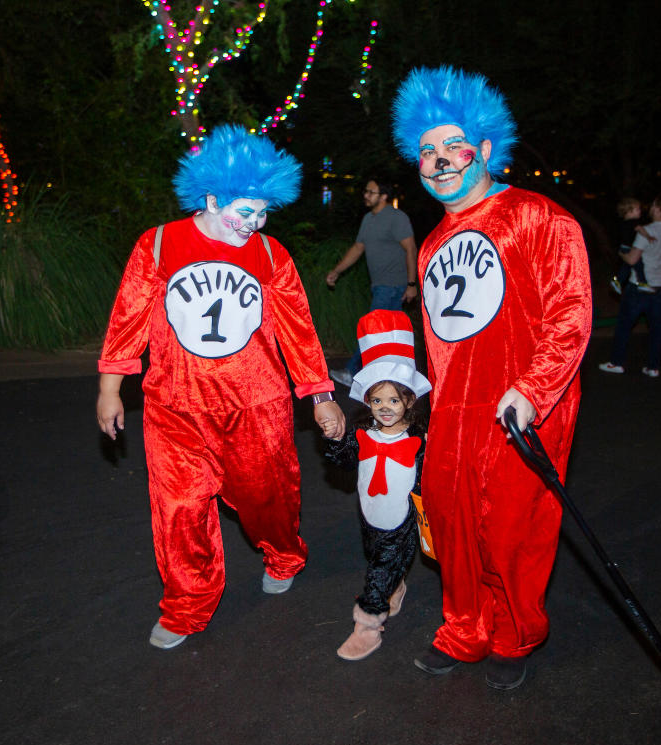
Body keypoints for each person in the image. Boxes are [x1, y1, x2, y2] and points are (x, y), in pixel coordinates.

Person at [95, 125, 346, 650]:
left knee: (266, 501)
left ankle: (284, 553)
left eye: (262, 213)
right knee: (180, 509)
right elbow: (128, 319)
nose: (253, 223)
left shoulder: (270, 254)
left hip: (256, 405)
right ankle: (186, 604)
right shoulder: (159, 243)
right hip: (174, 407)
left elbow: (298, 329)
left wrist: (320, 396)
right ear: (210, 198)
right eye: (244, 211)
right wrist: (111, 386)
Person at [391, 66, 592, 690]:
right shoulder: (428, 246)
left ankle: (512, 637)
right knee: (451, 525)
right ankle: (465, 629)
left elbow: (571, 313)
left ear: (483, 150)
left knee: (510, 530)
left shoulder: (537, 218)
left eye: (453, 145)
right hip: (454, 411)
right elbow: (440, 341)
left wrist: (532, 392)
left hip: (522, 406)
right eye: (426, 151)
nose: (439, 159)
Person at [323, 310, 432, 661]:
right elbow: (341, 461)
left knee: (380, 567)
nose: (385, 408)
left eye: (394, 400)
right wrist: (336, 440)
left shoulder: (420, 440)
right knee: (377, 557)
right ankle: (394, 586)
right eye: (377, 400)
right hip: (370, 516)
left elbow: (433, 474)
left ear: (410, 401)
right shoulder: (362, 434)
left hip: (401, 522)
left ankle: (368, 623)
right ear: (367, 402)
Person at [325, 179, 419, 386]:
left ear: (383, 196)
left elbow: (411, 249)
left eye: (371, 192)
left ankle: (352, 372)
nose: (365, 195)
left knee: (373, 328)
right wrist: (337, 271)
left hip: (393, 285)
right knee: (388, 334)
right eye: (365, 191)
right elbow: (358, 248)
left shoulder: (396, 218)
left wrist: (411, 284)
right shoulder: (368, 219)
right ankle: (394, 377)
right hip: (380, 285)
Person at [598, 197, 661, 377]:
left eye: (653, 206)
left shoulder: (649, 230)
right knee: (657, 328)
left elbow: (632, 259)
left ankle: (617, 362)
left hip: (639, 287)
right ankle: (653, 367)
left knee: (623, 326)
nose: (649, 208)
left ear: (659, 209)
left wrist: (620, 252)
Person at [609, 197, 652, 294]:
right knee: (639, 265)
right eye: (637, 209)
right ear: (629, 212)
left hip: (624, 248)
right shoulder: (633, 222)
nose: (640, 211)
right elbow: (640, 229)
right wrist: (648, 237)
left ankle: (617, 281)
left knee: (626, 267)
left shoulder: (622, 223)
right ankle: (642, 283)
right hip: (628, 249)